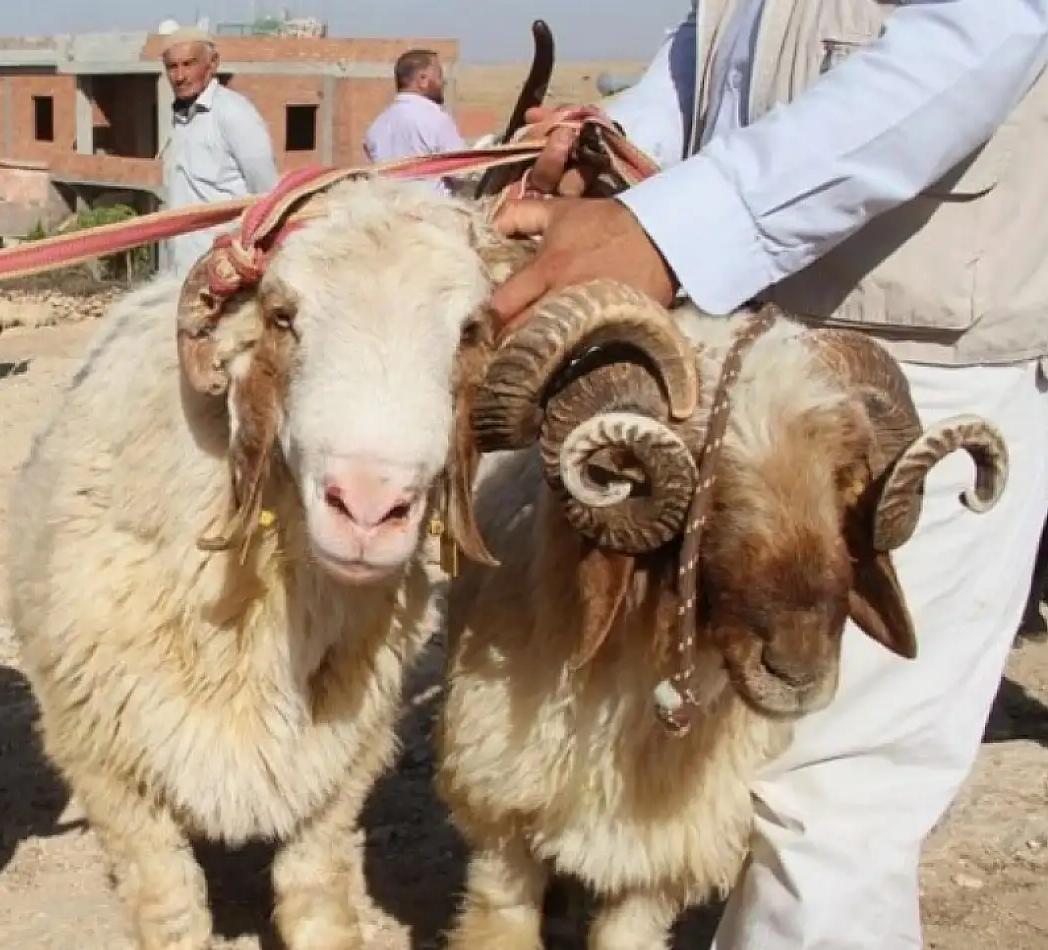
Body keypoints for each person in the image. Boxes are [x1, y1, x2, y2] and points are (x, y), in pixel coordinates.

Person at [488, 4, 1048, 949]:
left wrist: (674, 228)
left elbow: (983, 30)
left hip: (909, 365)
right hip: (743, 351)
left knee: (831, 804)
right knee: (751, 771)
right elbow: (727, 39)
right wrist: (623, 139)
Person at [157, 28, 278, 277]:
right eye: (172, 67)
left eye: (189, 64)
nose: (179, 76)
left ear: (212, 64)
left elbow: (267, 196)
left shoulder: (234, 113)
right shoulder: (181, 118)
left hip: (224, 274)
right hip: (180, 273)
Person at [362, 48, 467, 192]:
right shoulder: (436, 119)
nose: (443, 83)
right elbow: (463, 172)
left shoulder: (375, 127)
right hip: (431, 211)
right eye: (439, 76)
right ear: (423, 80)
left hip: (387, 210)